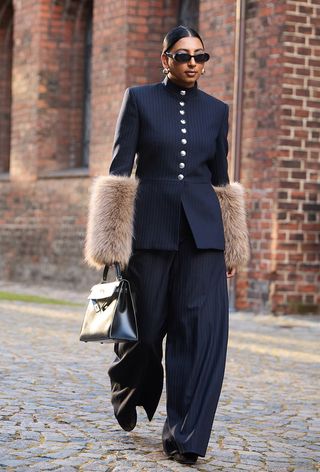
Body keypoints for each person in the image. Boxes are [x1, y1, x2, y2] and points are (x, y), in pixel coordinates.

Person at [85, 25, 249, 465]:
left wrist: (231, 244)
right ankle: (129, 385)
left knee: (197, 335)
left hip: (203, 236)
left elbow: (221, 178)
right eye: (182, 55)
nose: (192, 63)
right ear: (165, 59)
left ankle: (186, 437)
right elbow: (119, 171)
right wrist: (111, 243)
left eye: (200, 56)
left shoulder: (217, 111)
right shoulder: (138, 100)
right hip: (150, 232)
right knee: (145, 331)